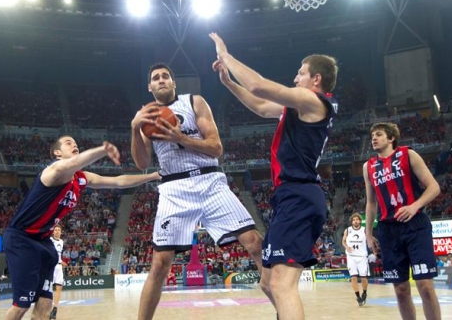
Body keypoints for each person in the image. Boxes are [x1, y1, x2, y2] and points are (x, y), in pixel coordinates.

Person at [209, 33, 338, 320]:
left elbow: (258, 85)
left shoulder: (313, 101)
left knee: (281, 283)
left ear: (316, 79)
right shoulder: (298, 107)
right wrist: (229, 83)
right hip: (289, 196)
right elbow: (259, 105)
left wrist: (226, 56)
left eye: (300, 73)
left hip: (299, 194)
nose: (295, 78)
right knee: (268, 282)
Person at [131, 62, 272, 320]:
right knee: (160, 264)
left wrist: (181, 139)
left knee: (254, 243)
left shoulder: (195, 101)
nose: (161, 80)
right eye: (155, 78)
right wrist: (134, 128)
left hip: (210, 181)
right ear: (149, 86)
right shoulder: (147, 116)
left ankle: (283, 309)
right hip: (174, 188)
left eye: (165, 76)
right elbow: (141, 164)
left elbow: (217, 148)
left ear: (174, 82)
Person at [3, 137, 160, 320]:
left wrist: (153, 176)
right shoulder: (52, 171)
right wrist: (103, 149)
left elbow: (118, 181)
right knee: (21, 305)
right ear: (57, 153)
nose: (74, 144)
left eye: (75, 142)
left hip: (44, 242)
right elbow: (76, 162)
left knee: (45, 303)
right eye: (68, 143)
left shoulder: (80, 178)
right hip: (22, 239)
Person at [363, 122, 442, 320]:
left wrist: (415, 205)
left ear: (391, 138)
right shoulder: (368, 167)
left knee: (425, 286)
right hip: (388, 230)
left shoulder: (409, 155)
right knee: (400, 289)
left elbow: (434, 187)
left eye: (379, 134)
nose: (374, 138)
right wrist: (368, 234)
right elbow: (371, 203)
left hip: (415, 226)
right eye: (372, 135)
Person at [341, 213, 369, 307]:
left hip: (362, 256)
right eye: (353, 220)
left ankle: (364, 292)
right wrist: (346, 247)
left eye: (357, 219)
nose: (355, 221)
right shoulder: (348, 230)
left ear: (360, 221)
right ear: (351, 221)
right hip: (351, 256)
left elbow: (369, 239)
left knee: (364, 277)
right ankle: (358, 297)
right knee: (353, 277)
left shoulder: (364, 230)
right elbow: (343, 241)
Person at [49, 224, 67, 320]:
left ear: (61, 232)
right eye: (55, 229)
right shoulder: (50, 241)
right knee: (48, 288)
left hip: (59, 267)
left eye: (58, 230)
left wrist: (61, 261)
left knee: (59, 287)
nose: (57, 231)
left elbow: (58, 255)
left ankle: (55, 309)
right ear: (53, 232)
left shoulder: (61, 241)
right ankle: (47, 308)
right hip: (51, 266)